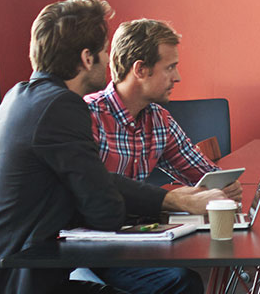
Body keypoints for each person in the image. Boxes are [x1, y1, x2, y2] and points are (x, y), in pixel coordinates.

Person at [0, 0, 225, 294]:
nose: (109, 61)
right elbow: (105, 211)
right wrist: (169, 201)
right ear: (87, 58)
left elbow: (96, 186)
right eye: (104, 51)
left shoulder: (21, 97)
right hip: (13, 282)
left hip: (3, 275)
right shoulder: (62, 107)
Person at [82, 18, 243, 293]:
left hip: (140, 237)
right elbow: (88, 199)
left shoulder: (158, 119)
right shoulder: (88, 116)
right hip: (96, 245)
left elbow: (201, 172)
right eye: (170, 67)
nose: (177, 77)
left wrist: (223, 186)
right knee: (182, 281)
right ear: (140, 69)